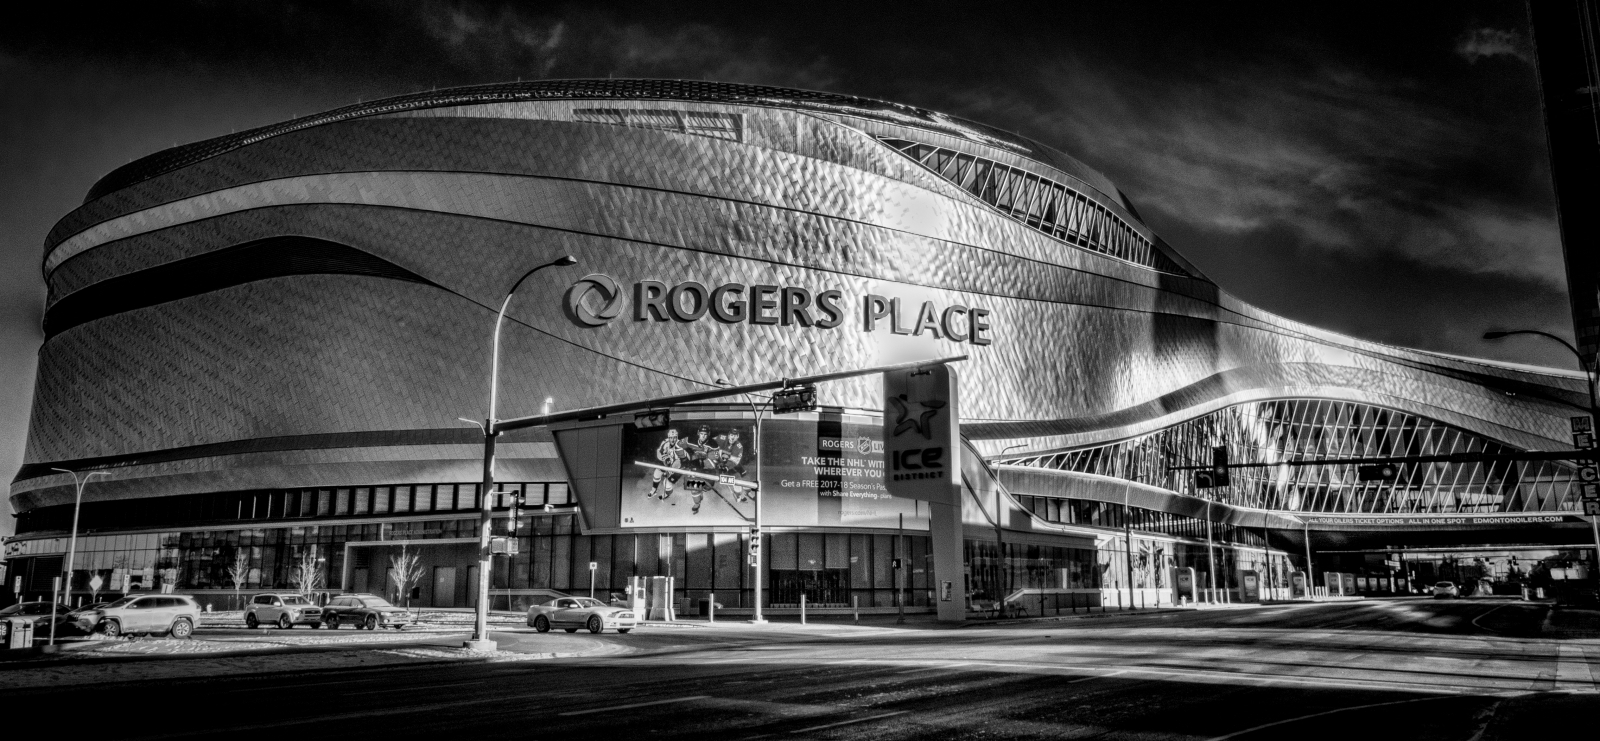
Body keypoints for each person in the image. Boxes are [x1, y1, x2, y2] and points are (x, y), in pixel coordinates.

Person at [650, 429, 687, 499]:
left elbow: (678, 462)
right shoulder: (665, 442)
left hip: (679, 467)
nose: (672, 440)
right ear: (668, 437)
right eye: (670, 438)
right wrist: (662, 458)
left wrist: (669, 471)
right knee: (657, 472)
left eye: (674, 437)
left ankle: (667, 494)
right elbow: (659, 451)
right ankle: (654, 490)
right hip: (668, 464)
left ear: (677, 437)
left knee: (666, 483)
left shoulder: (680, 445)